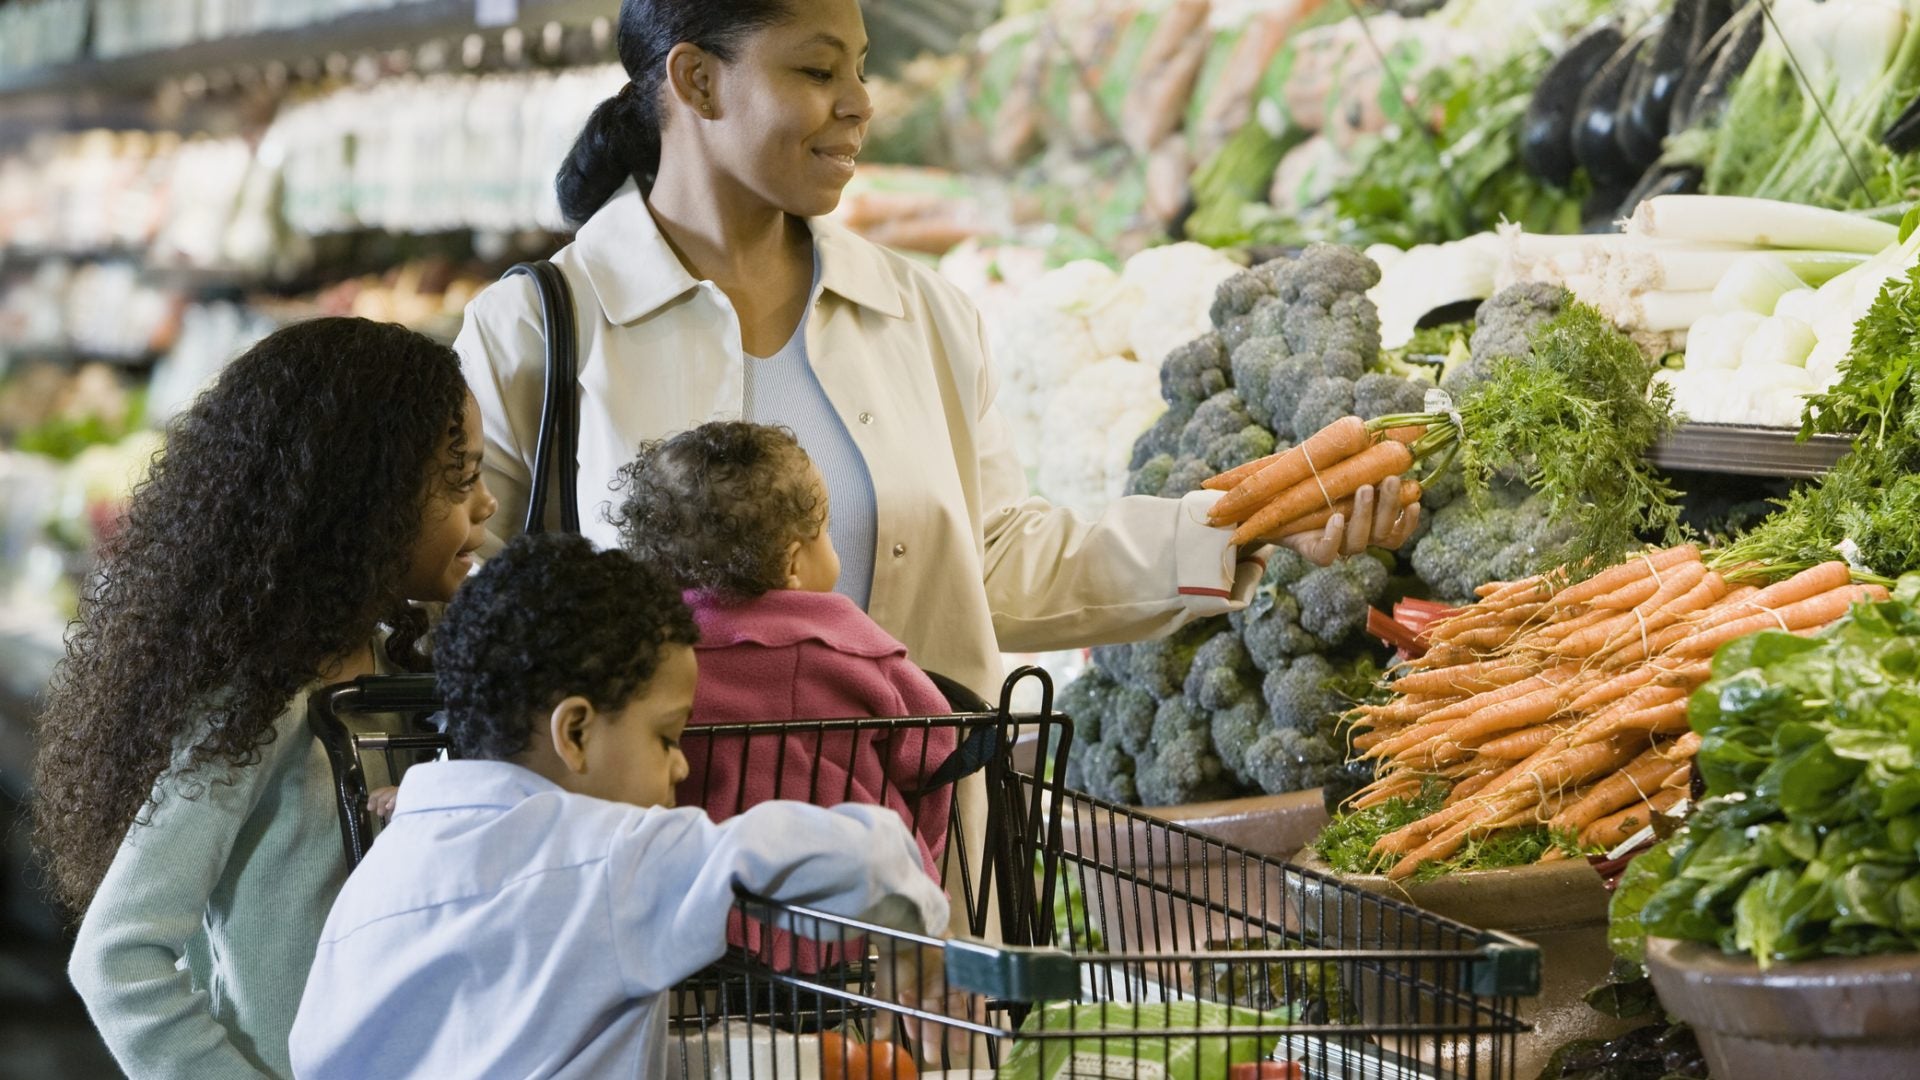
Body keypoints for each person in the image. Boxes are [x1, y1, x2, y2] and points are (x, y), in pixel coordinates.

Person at [454, 0, 1418, 708]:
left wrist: (1240, 528)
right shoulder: (537, 329)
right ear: (698, 80)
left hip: (907, 884)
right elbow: (468, 619)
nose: (859, 104)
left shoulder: (916, 310)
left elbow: (993, 563)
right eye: (818, 71)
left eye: (862, 70)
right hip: (659, 905)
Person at [288, 533, 950, 1079]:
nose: (683, 764)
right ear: (575, 732)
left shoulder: (382, 875)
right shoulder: (611, 854)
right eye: (666, 736)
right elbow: (855, 852)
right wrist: (909, 918)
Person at [33, 318, 499, 1080]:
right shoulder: (263, 705)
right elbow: (118, 956)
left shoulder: (399, 669)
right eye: (458, 478)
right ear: (363, 498)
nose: (483, 504)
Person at [614, 420, 957, 874]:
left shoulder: (650, 653)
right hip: (854, 893)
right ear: (793, 562)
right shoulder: (852, 647)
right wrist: (921, 849)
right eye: (826, 531)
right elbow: (934, 746)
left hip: (702, 885)